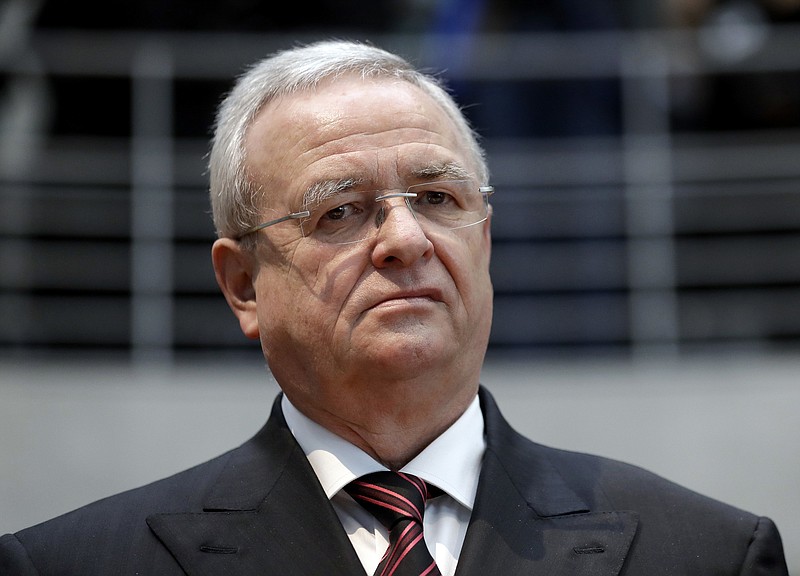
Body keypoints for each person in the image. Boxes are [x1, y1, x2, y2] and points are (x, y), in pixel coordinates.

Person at [0, 39, 789, 576]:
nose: (406, 239)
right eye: (340, 211)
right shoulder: (72, 562)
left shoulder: (708, 552)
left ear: (485, 241)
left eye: (440, 198)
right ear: (242, 284)